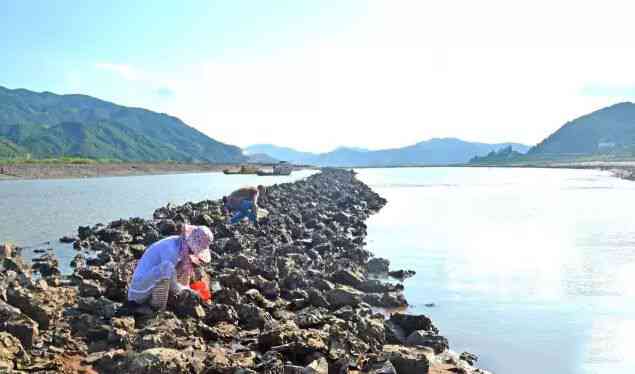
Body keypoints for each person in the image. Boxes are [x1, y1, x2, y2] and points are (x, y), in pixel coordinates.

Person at [127, 224, 213, 311]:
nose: (193, 253)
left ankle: (159, 303)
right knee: (167, 268)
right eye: (193, 251)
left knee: (184, 265)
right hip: (137, 292)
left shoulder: (180, 245)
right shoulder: (171, 249)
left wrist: (188, 289)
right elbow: (173, 284)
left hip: (149, 286)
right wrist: (189, 291)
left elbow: (177, 275)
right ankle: (157, 308)